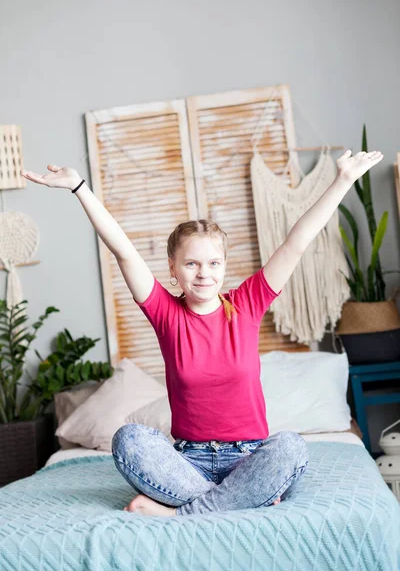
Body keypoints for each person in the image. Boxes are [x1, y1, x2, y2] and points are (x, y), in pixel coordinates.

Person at [21, 148, 384, 517]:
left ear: (224, 267)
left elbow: (296, 242)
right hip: (188, 463)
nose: (203, 273)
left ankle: (183, 512)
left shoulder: (247, 303)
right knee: (128, 439)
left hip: (249, 457)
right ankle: (236, 500)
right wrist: (79, 187)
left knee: (291, 448)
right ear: (173, 270)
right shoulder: (166, 314)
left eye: (213, 263)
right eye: (191, 263)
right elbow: (124, 252)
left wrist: (342, 181)